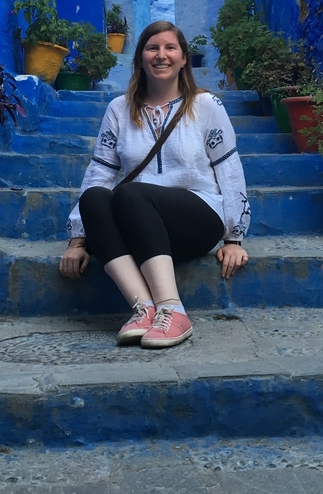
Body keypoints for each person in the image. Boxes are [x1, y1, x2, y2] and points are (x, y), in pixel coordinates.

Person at [59, 21, 250, 349]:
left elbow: (229, 170)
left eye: (170, 48)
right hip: (139, 220)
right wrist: (77, 241)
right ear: (140, 58)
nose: (161, 56)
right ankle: (143, 308)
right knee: (95, 198)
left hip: (197, 217)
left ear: (184, 59)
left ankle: (173, 309)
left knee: (131, 193)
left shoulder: (207, 107)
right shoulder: (118, 110)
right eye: (152, 48)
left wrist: (234, 237)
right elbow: (100, 173)